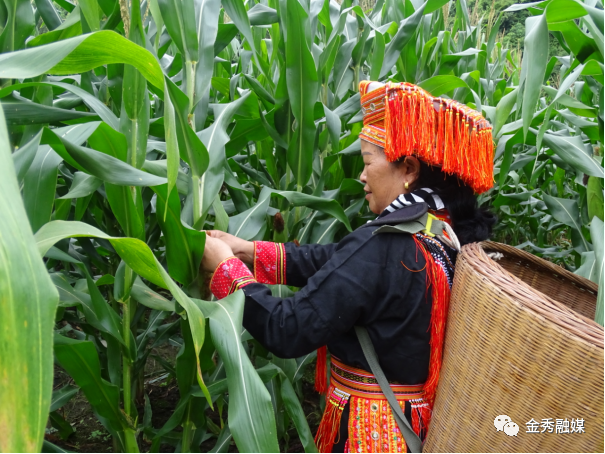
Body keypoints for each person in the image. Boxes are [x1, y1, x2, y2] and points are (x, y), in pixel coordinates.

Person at [201, 81, 496, 453]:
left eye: (368, 161)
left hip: (368, 433)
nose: (360, 176)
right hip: (417, 425)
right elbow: (340, 264)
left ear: (408, 169)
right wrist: (247, 250)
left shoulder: (385, 245)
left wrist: (227, 270)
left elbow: (287, 329)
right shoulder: (443, 237)